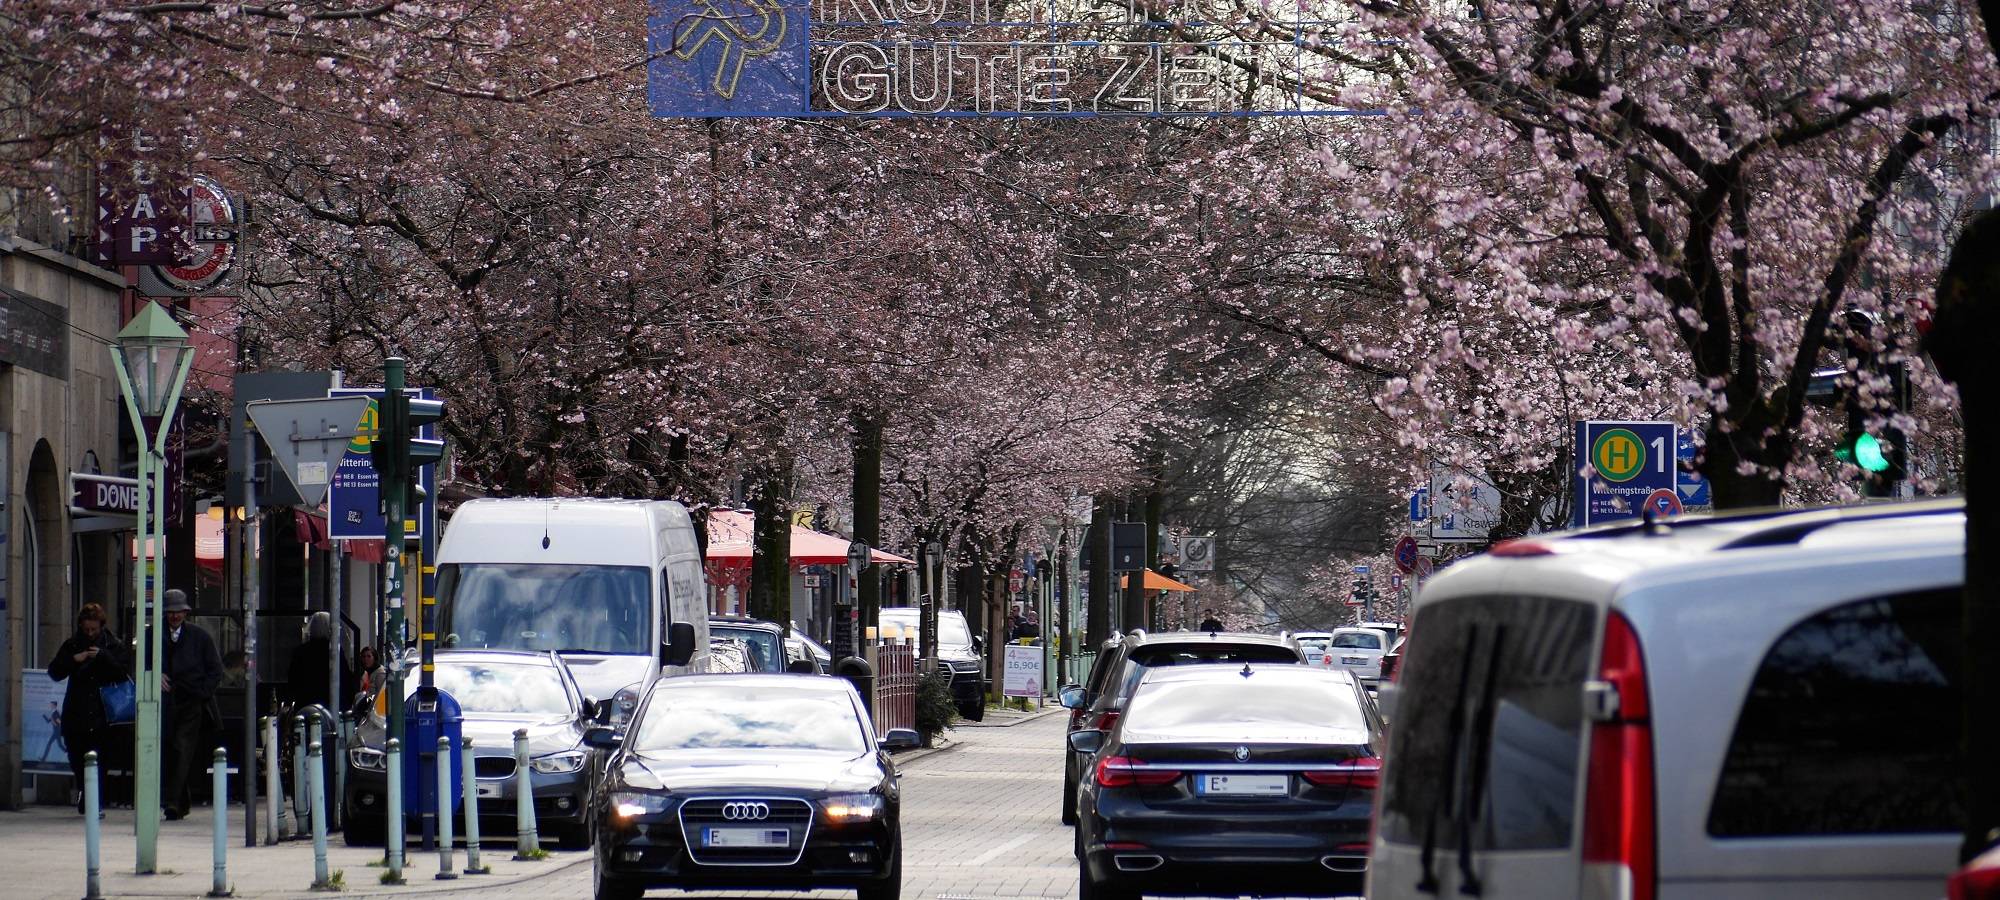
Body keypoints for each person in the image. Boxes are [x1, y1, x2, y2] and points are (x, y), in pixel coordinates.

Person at [48, 602, 128, 814]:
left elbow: (122, 672)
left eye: (94, 629)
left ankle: (95, 801)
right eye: (86, 630)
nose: (90, 633)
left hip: (104, 711)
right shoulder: (73, 645)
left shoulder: (112, 645)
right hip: (77, 710)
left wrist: (103, 656)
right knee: (77, 758)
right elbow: (55, 671)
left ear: (101, 626)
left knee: (100, 759)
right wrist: (75, 659)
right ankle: (86, 792)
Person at [161, 589, 222, 820]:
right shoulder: (154, 635)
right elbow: (141, 662)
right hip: (164, 703)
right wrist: (153, 675)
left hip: (191, 702)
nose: (174, 616)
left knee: (181, 748)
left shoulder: (200, 637)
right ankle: (180, 800)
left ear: (185, 612)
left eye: (178, 612)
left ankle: (173, 802)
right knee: (171, 750)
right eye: (170, 612)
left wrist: (202, 693)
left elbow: (215, 670)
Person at [286, 611, 335, 711]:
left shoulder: (301, 651)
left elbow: (292, 679)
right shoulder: (333, 652)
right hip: (328, 703)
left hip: (304, 702)